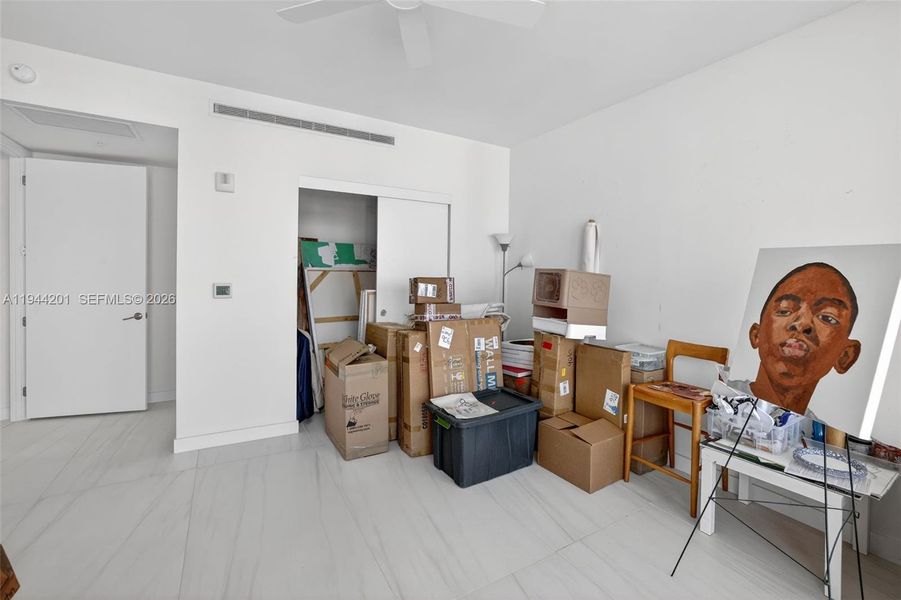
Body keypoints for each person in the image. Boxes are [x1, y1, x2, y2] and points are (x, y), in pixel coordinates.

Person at [748, 262, 861, 414]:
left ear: (845, 356)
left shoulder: (819, 434)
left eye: (828, 318)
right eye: (784, 310)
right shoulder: (720, 401)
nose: (802, 324)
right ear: (757, 335)